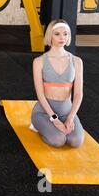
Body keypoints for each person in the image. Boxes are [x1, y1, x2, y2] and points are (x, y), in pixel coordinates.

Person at [31, 19, 84, 148]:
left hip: (67, 111)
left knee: (76, 141)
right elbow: (40, 96)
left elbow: (78, 94)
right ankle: (38, 125)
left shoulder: (77, 61)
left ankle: (57, 127)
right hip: (44, 112)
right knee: (59, 140)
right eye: (57, 34)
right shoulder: (39, 61)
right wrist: (54, 119)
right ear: (50, 35)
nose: (62, 37)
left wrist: (70, 118)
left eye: (65, 34)